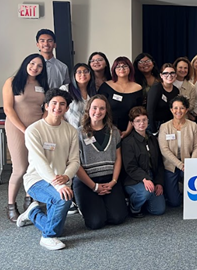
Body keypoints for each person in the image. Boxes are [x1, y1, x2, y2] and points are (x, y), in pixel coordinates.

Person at [17, 88, 79, 250]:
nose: (57, 107)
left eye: (62, 104)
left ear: (66, 108)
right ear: (46, 106)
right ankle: (47, 237)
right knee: (63, 198)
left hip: (61, 180)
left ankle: (33, 213)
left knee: (58, 227)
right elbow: (39, 162)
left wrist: (66, 177)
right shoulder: (34, 130)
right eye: (54, 103)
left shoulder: (71, 131)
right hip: (37, 180)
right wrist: (58, 185)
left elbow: (74, 161)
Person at [3, 54, 49, 222]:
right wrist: (24, 129)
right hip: (17, 128)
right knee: (20, 168)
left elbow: (46, 108)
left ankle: (30, 200)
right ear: (25, 64)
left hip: (37, 129)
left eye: (39, 66)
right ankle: (10, 205)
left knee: (34, 167)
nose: (35, 67)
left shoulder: (42, 85)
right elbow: (8, 109)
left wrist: (42, 124)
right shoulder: (12, 81)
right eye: (32, 63)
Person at [74, 95, 128, 230]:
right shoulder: (78, 133)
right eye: (94, 108)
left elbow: (118, 158)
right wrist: (94, 186)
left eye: (102, 108)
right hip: (87, 182)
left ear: (106, 111)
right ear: (88, 110)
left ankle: (103, 205)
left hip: (110, 180)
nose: (98, 112)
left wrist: (114, 181)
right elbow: (75, 164)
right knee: (96, 222)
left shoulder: (114, 131)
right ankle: (85, 206)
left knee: (118, 218)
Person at [122, 106, 166, 218]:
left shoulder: (152, 139)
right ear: (132, 123)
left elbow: (160, 163)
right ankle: (134, 207)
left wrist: (159, 183)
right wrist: (145, 179)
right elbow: (130, 167)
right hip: (134, 180)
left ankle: (145, 202)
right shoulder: (128, 142)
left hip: (152, 178)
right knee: (146, 192)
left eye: (144, 120)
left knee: (158, 210)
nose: (141, 123)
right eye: (137, 121)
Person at [158, 96, 197, 207]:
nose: (178, 111)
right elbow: (164, 149)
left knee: (192, 196)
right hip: (171, 166)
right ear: (171, 110)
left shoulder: (193, 126)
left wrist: (191, 163)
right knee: (174, 202)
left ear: (186, 110)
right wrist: (180, 165)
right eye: (175, 108)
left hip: (188, 164)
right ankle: (178, 188)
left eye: (182, 108)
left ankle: (183, 187)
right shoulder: (164, 127)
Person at [98, 57, 143, 138]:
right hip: (107, 128)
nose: (121, 68)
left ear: (130, 68)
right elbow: (100, 108)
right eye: (118, 66)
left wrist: (127, 131)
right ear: (114, 69)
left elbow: (137, 112)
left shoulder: (138, 88)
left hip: (130, 130)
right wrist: (112, 128)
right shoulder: (106, 86)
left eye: (125, 66)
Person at [60, 63, 97, 129]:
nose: (83, 74)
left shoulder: (94, 92)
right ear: (74, 75)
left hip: (88, 131)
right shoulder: (65, 89)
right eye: (79, 72)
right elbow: (58, 111)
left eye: (86, 71)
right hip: (69, 130)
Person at [146, 63, 180, 134]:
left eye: (172, 73)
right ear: (161, 76)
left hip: (168, 124)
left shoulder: (176, 90)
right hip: (155, 124)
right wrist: (154, 131)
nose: (169, 76)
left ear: (176, 75)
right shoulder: (156, 88)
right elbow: (150, 111)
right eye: (166, 73)